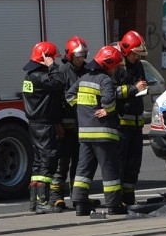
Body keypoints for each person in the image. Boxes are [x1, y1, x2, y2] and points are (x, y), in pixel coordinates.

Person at [66, 45, 126, 216]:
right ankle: (114, 205)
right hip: (103, 133)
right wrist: (107, 109)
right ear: (108, 64)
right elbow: (109, 102)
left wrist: (83, 109)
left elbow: (69, 96)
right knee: (109, 169)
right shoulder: (105, 80)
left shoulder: (83, 78)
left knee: (83, 169)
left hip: (85, 133)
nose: (116, 69)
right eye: (115, 65)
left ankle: (79, 203)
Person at [22, 41, 67, 214]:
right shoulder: (39, 76)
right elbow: (59, 82)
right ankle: (43, 202)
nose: (54, 61)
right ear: (44, 58)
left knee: (39, 162)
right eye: (52, 57)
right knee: (48, 159)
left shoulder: (31, 75)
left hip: (38, 124)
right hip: (43, 125)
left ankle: (35, 202)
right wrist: (52, 66)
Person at [50, 35, 89, 210]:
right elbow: (56, 99)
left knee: (79, 162)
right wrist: (57, 122)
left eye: (84, 55)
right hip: (65, 126)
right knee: (62, 162)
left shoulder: (87, 71)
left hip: (82, 124)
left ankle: (77, 196)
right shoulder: (62, 71)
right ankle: (56, 196)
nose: (82, 59)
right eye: (79, 55)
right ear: (70, 55)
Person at [114, 30, 149, 206]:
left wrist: (143, 87)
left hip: (136, 123)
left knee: (134, 162)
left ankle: (129, 195)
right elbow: (110, 92)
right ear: (127, 51)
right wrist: (134, 89)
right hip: (121, 124)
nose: (137, 57)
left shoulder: (138, 65)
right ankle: (117, 197)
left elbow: (141, 84)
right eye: (135, 54)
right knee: (120, 162)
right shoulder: (117, 66)